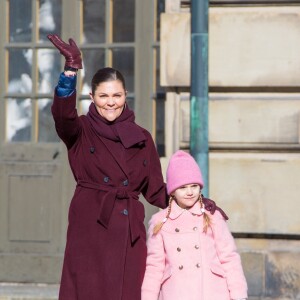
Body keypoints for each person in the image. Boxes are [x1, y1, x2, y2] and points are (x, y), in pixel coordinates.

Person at [47, 34, 219, 300]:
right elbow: (62, 115)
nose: (110, 102)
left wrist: (195, 200)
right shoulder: (80, 130)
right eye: (103, 96)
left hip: (129, 233)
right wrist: (71, 70)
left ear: (126, 95)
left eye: (116, 95)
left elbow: (154, 189)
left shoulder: (141, 136)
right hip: (90, 225)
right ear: (92, 97)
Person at [142, 150, 248, 300]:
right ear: (172, 191)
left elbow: (229, 258)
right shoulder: (160, 222)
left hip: (213, 292)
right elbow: (154, 268)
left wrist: (239, 296)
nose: (190, 192)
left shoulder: (212, 216)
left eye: (194, 186)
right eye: (182, 187)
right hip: (176, 293)